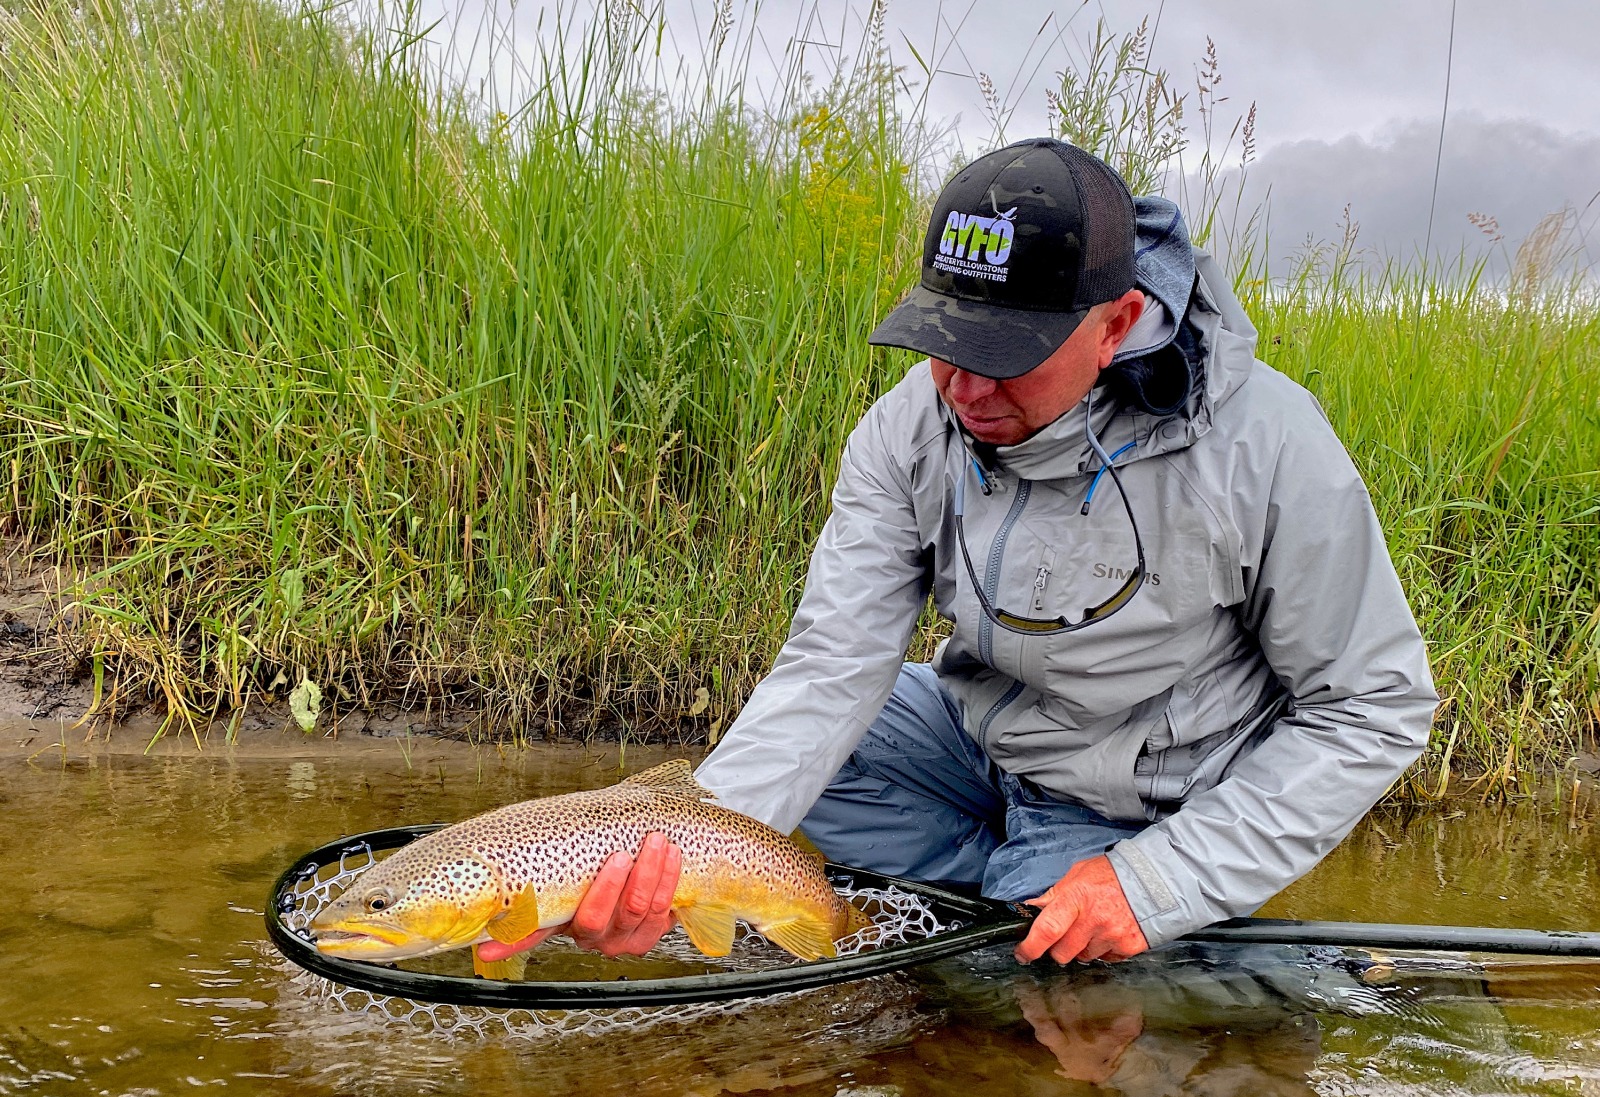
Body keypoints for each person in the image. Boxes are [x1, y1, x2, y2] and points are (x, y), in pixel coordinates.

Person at [476, 138, 1437, 972]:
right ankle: (1015, 890)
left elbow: (1374, 706)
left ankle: (1128, 922)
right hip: (975, 742)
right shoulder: (907, 429)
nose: (964, 387)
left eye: (1007, 351)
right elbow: (829, 666)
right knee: (805, 777)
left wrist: (1154, 885)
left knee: (1040, 1001)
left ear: (1118, 322)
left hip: (1148, 798)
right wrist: (684, 856)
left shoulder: (1264, 445)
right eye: (946, 339)